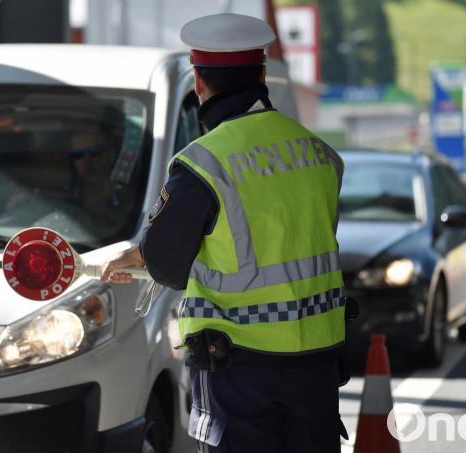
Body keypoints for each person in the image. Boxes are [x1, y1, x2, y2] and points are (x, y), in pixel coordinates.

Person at [101, 13, 348, 453]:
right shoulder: (319, 153)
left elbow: (163, 260)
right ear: (261, 74)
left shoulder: (204, 164)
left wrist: (127, 259)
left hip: (239, 368)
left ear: (199, 82)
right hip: (318, 363)